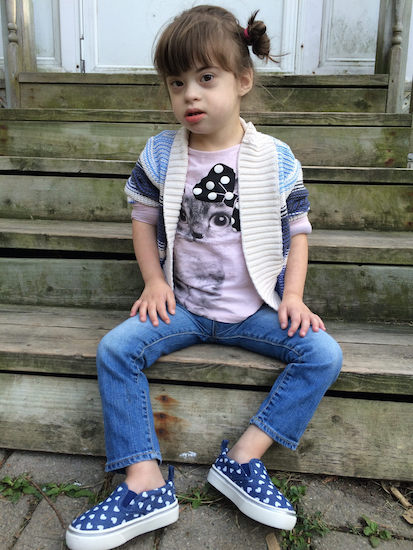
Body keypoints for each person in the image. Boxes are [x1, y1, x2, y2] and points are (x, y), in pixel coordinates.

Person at [66, 5, 342, 550]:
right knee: (115, 349)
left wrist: (292, 295)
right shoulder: (163, 152)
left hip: (256, 310)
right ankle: (143, 482)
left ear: (243, 81)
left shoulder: (275, 157)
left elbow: (299, 231)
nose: (190, 94)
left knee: (324, 354)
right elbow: (143, 220)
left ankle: (242, 460)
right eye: (176, 83)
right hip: (183, 308)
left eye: (206, 78)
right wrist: (154, 283)